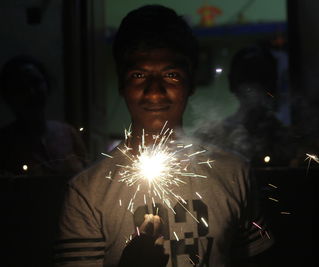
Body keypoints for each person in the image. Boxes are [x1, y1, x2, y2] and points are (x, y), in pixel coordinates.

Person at [55, 5, 273, 267]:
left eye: (171, 75)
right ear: (121, 84)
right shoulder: (88, 192)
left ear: (191, 83)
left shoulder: (234, 174)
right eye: (139, 75)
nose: (155, 91)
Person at [195, 44, 297, 168]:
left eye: (260, 78)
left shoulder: (286, 138)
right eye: (247, 78)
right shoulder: (213, 137)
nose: (253, 88)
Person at [0, 56, 87, 176]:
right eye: (20, 87)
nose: (31, 92)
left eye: (36, 82)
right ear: (8, 95)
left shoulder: (68, 134)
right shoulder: (5, 143)